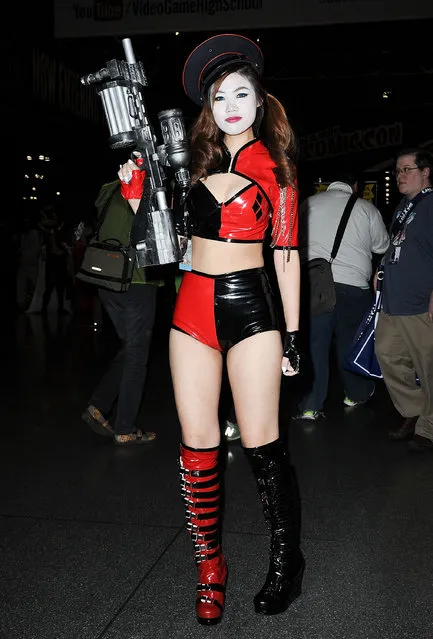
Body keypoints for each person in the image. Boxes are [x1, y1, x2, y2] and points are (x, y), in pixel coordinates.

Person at [137, 33, 303, 624]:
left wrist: (291, 337)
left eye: (242, 93)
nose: (231, 104)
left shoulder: (277, 169)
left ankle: (287, 561)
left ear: (260, 101)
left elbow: (285, 255)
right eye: (219, 97)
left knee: (262, 444)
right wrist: (143, 194)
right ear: (209, 108)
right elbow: (165, 246)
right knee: (197, 443)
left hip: (251, 308)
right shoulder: (192, 163)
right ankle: (210, 565)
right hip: (191, 310)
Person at [296, 175, 389, 420]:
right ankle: (355, 394)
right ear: (355, 186)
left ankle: (310, 404)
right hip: (353, 286)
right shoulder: (366, 208)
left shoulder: (309, 204)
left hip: (314, 285)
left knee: (315, 345)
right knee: (351, 344)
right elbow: (382, 246)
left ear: (328, 185)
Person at [81, 179, 161, 446]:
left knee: (130, 348)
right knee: (137, 357)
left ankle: (98, 405)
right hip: (135, 280)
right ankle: (125, 427)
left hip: (106, 277)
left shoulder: (109, 188)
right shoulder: (148, 187)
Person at [375, 148, 433, 452]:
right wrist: (381, 267)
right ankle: (413, 410)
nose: (400, 175)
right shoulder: (403, 207)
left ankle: (430, 425)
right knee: (387, 353)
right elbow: (396, 244)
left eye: (407, 169)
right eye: (398, 170)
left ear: (425, 172)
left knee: (428, 365)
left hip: (421, 303)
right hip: (394, 300)